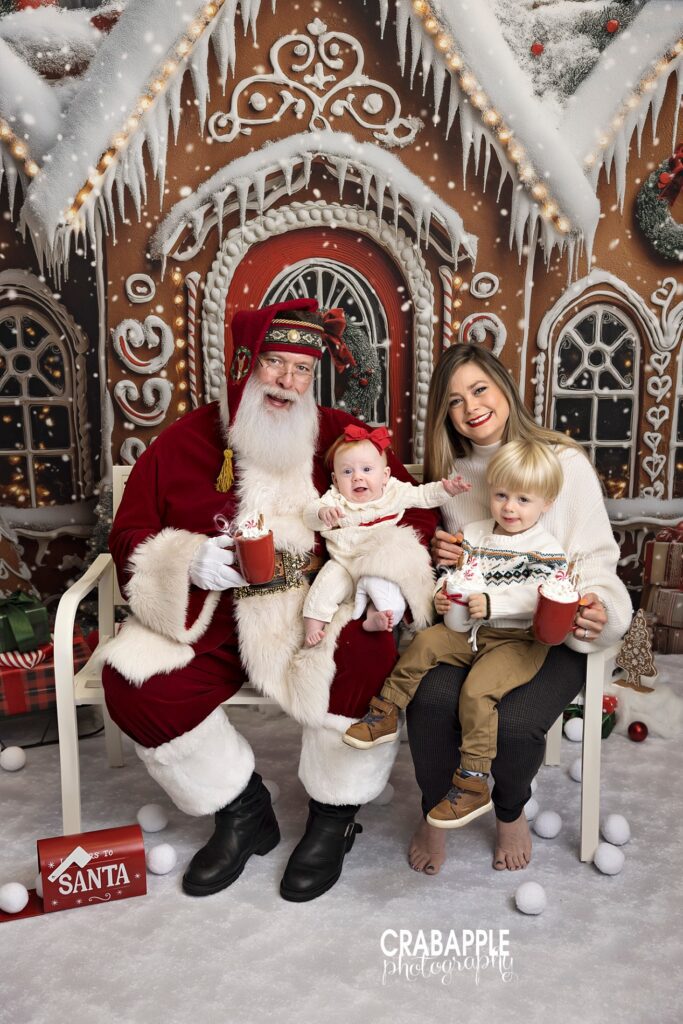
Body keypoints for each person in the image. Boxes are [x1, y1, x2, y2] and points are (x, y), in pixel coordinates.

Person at [100, 299, 439, 903]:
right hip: (215, 618)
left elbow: (409, 511)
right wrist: (184, 561)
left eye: (303, 369)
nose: (288, 381)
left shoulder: (341, 437)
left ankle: (334, 817)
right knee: (134, 684)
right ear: (246, 364)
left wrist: (386, 571)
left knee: (366, 647)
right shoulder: (184, 442)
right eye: (275, 364)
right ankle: (242, 809)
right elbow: (128, 536)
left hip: (317, 606)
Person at [405, 343, 632, 874]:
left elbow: (596, 559)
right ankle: (435, 812)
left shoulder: (564, 463)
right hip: (480, 631)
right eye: (455, 401)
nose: (472, 407)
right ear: (445, 414)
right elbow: (462, 572)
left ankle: (509, 811)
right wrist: (441, 557)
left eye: (480, 389)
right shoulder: (454, 478)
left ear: (504, 388)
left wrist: (600, 609)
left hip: (551, 632)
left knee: (512, 723)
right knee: (431, 701)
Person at [344, 439, 568, 831]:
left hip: (518, 642)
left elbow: (544, 597)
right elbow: (450, 577)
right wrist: (440, 598)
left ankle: (474, 781)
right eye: (501, 495)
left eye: (523, 499)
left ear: (546, 503)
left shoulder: (546, 550)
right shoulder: (474, 535)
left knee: (477, 691)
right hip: (470, 632)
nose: (509, 508)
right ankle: (385, 712)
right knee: (426, 643)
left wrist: (494, 603)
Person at [301, 423, 471, 645]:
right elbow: (309, 515)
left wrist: (446, 490)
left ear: (385, 475)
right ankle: (312, 626)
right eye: (347, 472)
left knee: (385, 587)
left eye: (367, 470)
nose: (357, 478)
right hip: (344, 562)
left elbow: (423, 495)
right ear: (335, 480)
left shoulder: (394, 491)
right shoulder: (334, 499)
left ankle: (374, 616)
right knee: (324, 587)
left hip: (377, 561)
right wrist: (323, 513)